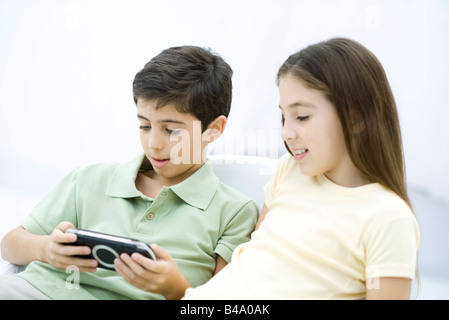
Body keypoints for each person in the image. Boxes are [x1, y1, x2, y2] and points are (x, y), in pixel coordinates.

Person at [0, 46, 258, 300]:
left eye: (171, 130)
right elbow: (10, 244)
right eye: (144, 125)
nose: (153, 143)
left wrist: (176, 289)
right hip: (37, 290)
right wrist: (46, 249)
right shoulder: (90, 178)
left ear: (214, 128)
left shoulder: (234, 211)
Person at [183, 38, 420, 300]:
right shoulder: (289, 171)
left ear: (355, 118)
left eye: (302, 116)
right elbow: (251, 262)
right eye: (284, 116)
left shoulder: (387, 218)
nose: (286, 132)